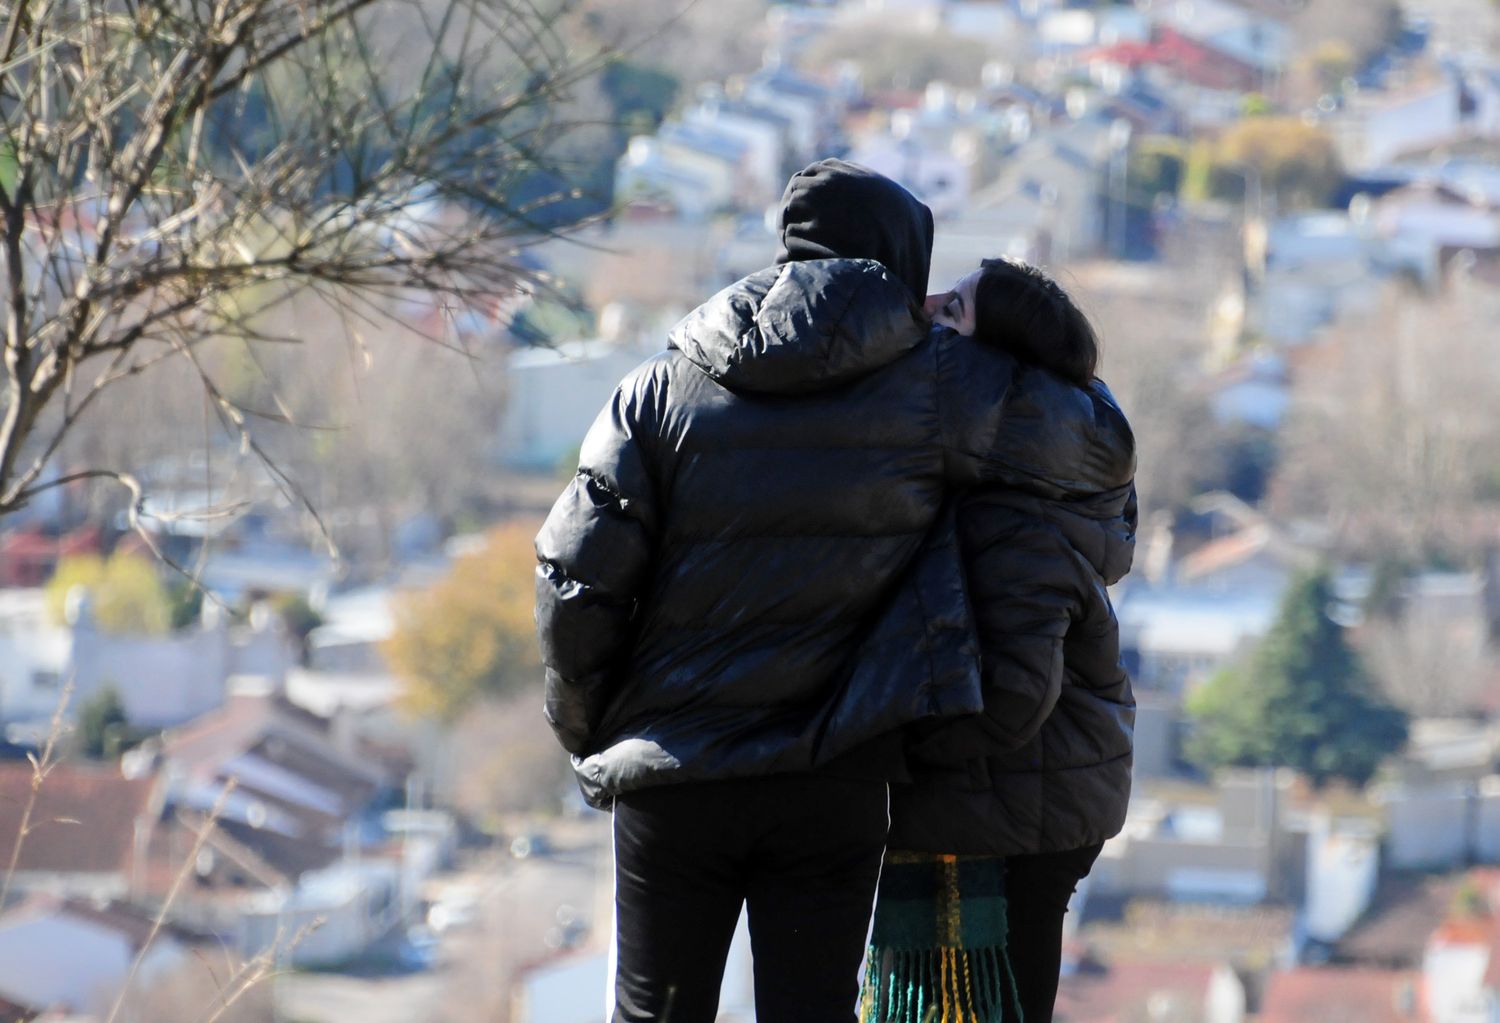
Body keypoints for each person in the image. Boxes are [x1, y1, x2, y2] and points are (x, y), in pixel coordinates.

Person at [533, 162, 1110, 1023]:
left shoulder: (655, 390)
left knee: (652, 1012)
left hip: (672, 771)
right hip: (830, 776)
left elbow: (574, 581)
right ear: (895, 263)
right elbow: (1090, 444)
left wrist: (593, 731)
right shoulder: (933, 389)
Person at [862, 258, 1137, 1023]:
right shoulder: (1015, 476)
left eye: (954, 310)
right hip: (1035, 787)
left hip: (1027, 802)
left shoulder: (1017, 515)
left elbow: (1015, 694)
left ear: (994, 366)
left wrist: (888, 751)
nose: (928, 312)